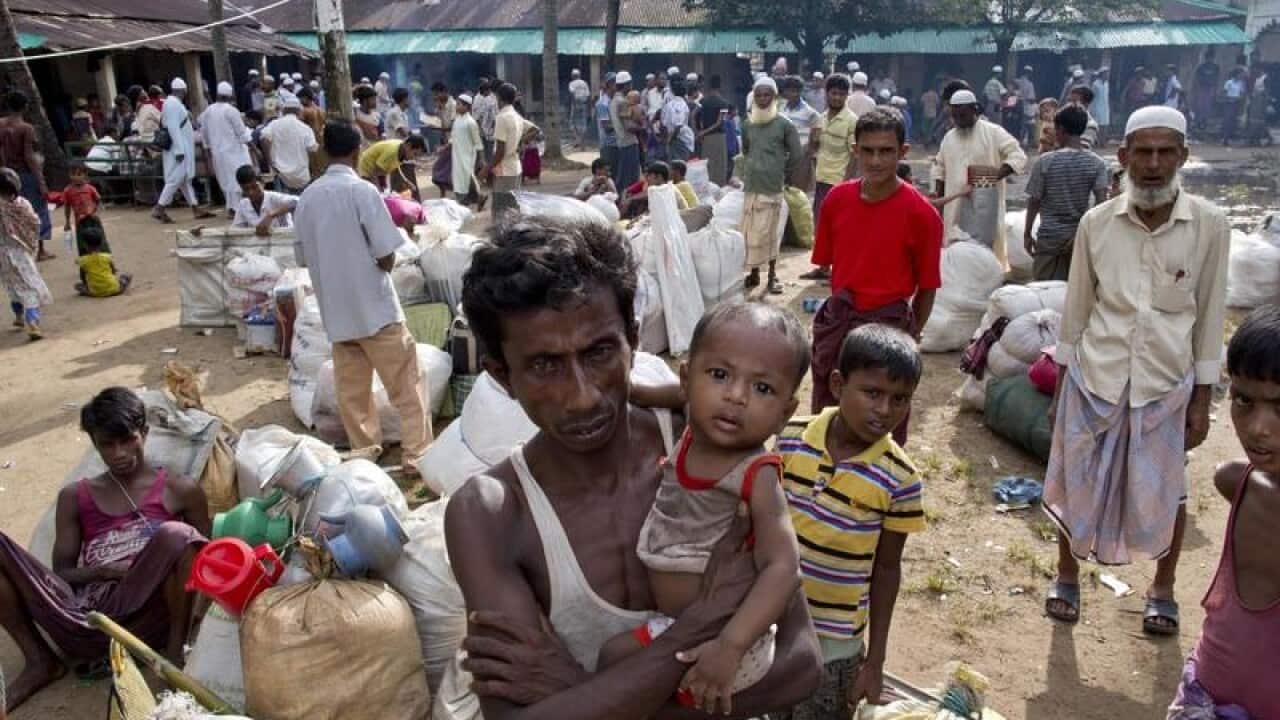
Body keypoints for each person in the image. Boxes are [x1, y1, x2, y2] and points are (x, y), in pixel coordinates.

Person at [444, 215, 822, 720]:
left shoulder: (710, 444)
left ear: (633, 338)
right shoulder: (491, 514)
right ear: (501, 375)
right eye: (543, 365)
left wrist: (586, 692)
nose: (581, 398)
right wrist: (695, 630)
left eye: (599, 352)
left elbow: (800, 664)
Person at [1043, 106, 1230, 636]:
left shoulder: (1210, 226)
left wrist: (1201, 400)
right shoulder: (1096, 225)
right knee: (1075, 478)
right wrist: (1060, 389)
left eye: (1164, 152)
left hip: (1165, 383)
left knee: (1167, 489)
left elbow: (1211, 315)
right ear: (1122, 158)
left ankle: (1162, 589)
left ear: (1182, 157)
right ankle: (1065, 574)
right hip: (1095, 375)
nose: (1152, 164)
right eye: (1142, 152)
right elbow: (1076, 311)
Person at [597, 301, 807, 715]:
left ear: (786, 414)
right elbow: (680, 395)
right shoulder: (695, 426)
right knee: (611, 661)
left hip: (724, 642)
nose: (736, 396)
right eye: (720, 375)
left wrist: (730, 645)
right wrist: (635, 392)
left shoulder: (756, 473)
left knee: (640, 688)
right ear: (688, 378)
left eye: (762, 388)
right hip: (679, 626)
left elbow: (784, 567)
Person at [0, 387, 207, 713]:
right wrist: (105, 571)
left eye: (127, 440)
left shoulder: (179, 489)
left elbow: (202, 565)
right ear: (95, 444)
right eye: (107, 444)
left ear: (145, 433)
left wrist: (147, 572)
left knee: (177, 535)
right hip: (86, 622)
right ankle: (40, 660)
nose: (119, 453)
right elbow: (64, 574)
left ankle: (173, 655)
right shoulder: (76, 496)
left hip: (148, 623)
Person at [780, 324, 925, 719]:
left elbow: (887, 568)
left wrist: (874, 661)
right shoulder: (789, 439)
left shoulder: (900, 478)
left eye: (900, 399)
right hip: (770, 623)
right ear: (839, 383)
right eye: (872, 393)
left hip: (835, 645)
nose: (884, 410)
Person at [295, 121, 433, 475]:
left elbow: (303, 258)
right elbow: (386, 254)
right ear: (358, 151)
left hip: (337, 311)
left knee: (353, 391)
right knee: (406, 383)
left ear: (325, 151)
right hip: (375, 308)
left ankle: (364, 450)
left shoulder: (307, 198)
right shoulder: (362, 192)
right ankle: (415, 454)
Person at [1165, 306, 1280, 720]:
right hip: (1202, 703)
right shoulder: (1237, 483)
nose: (1258, 427)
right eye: (1244, 401)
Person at [809, 109, 941, 435]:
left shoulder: (922, 214)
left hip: (889, 325)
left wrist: (908, 338)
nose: (876, 160)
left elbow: (927, 288)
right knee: (829, 415)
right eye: (868, 150)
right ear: (855, 150)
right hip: (841, 322)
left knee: (881, 420)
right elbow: (835, 270)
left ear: (903, 152)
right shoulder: (837, 200)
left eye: (886, 151)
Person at [931, 89, 1026, 267]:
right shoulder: (949, 138)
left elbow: (1018, 156)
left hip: (985, 205)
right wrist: (938, 194)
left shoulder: (993, 132)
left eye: (963, 115)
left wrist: (990, 178)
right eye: (955, 116)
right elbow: (939, 167)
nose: (958, 120)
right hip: (955, 205)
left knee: (986, 251)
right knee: (955, 250)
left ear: (975, 110)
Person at [1023, 105, 1109, 282]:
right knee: (1078, 290)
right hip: (1079, 239)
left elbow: (1034, 201)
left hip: (1049, 239)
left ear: (1061, 129)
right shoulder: (1097, 163)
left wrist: (1027, 233)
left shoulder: (1045, 161)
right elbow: (1101, 205)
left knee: (1045, 292)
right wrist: (1086, 233)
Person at [740, 76, 803, 296]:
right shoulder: (748, 123)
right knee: (751, 233)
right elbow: (745, 150)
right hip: (751, 186)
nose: (763, 98)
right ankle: (754, 273)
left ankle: (772, 275)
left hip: (773, 187)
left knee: (771, 233)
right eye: (759, 95)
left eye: (767, 94)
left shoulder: (784, 124)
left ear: (775, 97)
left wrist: (782, 172)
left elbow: (796, 155)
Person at [799, 73, 858, 283]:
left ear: (846, 96)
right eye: (834, 93)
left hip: (839, 182)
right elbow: (814, 149)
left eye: (841, 94)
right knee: (822, 227)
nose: (837, 98)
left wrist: (847, 182)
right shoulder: (821, 119)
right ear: (827, 93)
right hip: (821, 179)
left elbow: (854, 155)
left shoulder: (852, 121)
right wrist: (813, 141)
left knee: (840, 229)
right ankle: (824, 268)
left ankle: (840, 271)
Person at [152, 79, 216, 225]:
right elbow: (173, 128)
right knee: (176, 178)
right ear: (183, 90)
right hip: (179, 149)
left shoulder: (172, 103)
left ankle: (195, 208)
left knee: (184, 180)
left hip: (181, 147)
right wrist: (179, 150)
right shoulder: (173, 104)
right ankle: (159, 207)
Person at [0, 91, 53, 261]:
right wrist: (41, 181)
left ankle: (20, 248)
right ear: (24, 106)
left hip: (6, 174)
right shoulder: (26, 128)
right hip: (24, 174)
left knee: (12, 210)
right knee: (37, 210)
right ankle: (41, 250)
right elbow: (29, 156)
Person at [0, 168, 51, 340]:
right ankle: (33, 323)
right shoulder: (22, 204)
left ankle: (18, 317)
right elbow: (35, 222)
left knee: (13, 287)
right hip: (20, 253)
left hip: (1, 255)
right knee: (30, 288)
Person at [198, 82, 253, 216]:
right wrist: (254, 148)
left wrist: (208, 150)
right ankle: (236, 209)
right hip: (234, 151)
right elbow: (241, 133)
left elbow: (203, 132)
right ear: (229, 96)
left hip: (217, 152)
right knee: (237, 180)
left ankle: (232, 207)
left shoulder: (208, 111)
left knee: (225, 180)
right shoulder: (231, 110)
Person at [482, 83, 525, 217]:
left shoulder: (502, 117)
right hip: (515, 167)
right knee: (513, 209)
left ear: (499, 98)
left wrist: (486, 169)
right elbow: (520, 145)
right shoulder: (517, 117)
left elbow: (500, 152)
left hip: (504, 170)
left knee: (500, 212)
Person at [260, 96, 319, 194]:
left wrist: (270, 162)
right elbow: (313, 149)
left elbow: (264, 138)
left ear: (283, 111)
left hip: (280, 173)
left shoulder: (274, 124)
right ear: (299, 112)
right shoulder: (305, 128)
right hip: (301, 176)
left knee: (284, 203)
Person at [780, 75, 822, 192]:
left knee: (797, 192)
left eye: (795, 91)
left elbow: (816, 138)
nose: (792, 94)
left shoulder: (810, 113)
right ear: (785, 92)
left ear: (800, 92)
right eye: (789, 91)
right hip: (782, 157)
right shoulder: (781, 109)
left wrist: (808, 155)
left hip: (800, 159)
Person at [230, 164, 298, 235]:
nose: (251, 192)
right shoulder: (243, 205)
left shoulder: (273, 198)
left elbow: (297, 201)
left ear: (263, 183)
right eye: (246, 189)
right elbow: (236, 230)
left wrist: (271, 215)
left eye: (254, 187)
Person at [61, 163, 109, 256]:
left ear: (85, 174)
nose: (75, 177)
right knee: (83, 242)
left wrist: (95, 213)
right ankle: (86, 264)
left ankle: (107, 262)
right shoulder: (67, 191)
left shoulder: (90, 188)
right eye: (73, 174)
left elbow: (99, 202)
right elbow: (67, 207)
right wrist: (67, 222)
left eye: (79, 174)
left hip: (93, 220)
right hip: (80, 221)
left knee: (100, 240)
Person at [450, 94, 485, 209]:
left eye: (459, 104)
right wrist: (445, 147)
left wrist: (481, 158)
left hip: (468, 154)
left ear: (467, 107)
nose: (457, 106)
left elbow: (477, 142)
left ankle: (476, 197)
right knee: (460, 177)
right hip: (457, 154)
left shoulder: (471, 122)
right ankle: (471, 199)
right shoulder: (457, 119)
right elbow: (453, 137)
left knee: (468, 176)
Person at [695, 75, 732, 187]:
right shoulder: (724, 103)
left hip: (705, 139)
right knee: (719, 167)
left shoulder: (702, 101)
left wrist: (700, 131)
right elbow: (720, 122)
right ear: (720, 86)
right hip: (718, 137)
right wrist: (705, 131)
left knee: (707, 167)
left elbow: (695, 115)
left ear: (709, 86)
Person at [74, 227, 130, 298]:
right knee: (127, 276)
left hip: (95, 291)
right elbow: (113, 271)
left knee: (77, 286)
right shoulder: (107, 257)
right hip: (114, 288)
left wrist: (88, 284)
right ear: (101, 244)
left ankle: (92, 291)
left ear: (85, 245)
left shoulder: (83, 260)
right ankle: (119, 288)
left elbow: (82, 276)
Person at [611, 72, 643, 191]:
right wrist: (642, 128)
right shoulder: (623, 102)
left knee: (623, 174)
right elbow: (629, 127)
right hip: (629, 141)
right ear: (626, 85)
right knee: (631, 177)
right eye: (629, 84)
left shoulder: (614, 100)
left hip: (621, 141)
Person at [659, 81, 695, 162]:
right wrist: (669, 140)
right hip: (679, 139)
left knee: (676, 167)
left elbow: (672, 125)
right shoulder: (681, 104)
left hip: (676, 139)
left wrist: (668, 140)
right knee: (678, 168)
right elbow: (677, 126)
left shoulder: (672, 105)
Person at [1192, 49, 1220, 132]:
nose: (1210, 59)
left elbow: (1217, 79)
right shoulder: (1201, 67)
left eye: (1211, 58)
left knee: (1207, 107)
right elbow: (1197, 78)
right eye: (1208, 58)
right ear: (1206, 58)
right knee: (1200, 106)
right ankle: (1198, 123)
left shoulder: (1216, 67)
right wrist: (1196, 89)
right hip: (1201, 88)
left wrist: (1215, 90)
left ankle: (1204, 123)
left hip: (1210, 88)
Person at [473, 78, 499, 162]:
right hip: (483, 130)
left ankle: (490, 168)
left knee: (491, 151)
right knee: (483, 151)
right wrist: (481, 129)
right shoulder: (477, 99)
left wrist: (494, 123)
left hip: (491, 129)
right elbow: (477, 116)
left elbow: (495, 112)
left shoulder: (492, 97)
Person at [1221, 68, 1247, 145]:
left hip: (1237, 103)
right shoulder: (1229, 82)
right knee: (1227, 120)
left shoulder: (1241, 83)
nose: (1242, 75)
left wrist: (1239, 99)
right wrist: (1229, 99)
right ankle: (1225, 138)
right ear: (1236, 74)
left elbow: (1242, 94)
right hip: (1229, 103)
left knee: (1234, 120)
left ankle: (1230, 137)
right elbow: (1224, 93)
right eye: (1240, 74)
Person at [568, 69, 591, 148]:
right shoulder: (584, 83)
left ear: (572, 76)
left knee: (572, 123)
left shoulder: (571, 83)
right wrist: (587, 107)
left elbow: (572, 94)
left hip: (575, 104)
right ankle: (582, 144)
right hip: (584, 104)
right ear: (579, 75)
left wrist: (575, 105)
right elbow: (588, 95)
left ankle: (577, 140)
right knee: (583, 124)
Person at [1016, 67, 1038, 147]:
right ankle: (1026, 144)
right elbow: (1031, 98)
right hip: (1026, 108)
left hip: (1018, 106)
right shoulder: (1029, 84)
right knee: (1027, 126)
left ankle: (1020, 142)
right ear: (1029, 73)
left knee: (1020, 125)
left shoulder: (1018, 81)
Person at [1090, 67, 1111, 147]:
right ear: (1102, 74)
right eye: (1106, 74)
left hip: (1105, 107)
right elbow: (1092, 96)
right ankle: (1097, 142)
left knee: (1105, 125)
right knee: (1097, 125)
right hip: (1096, 107)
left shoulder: (1107, 84)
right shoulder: (1095, 84)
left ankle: (1103, 142)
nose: (1107, 75)